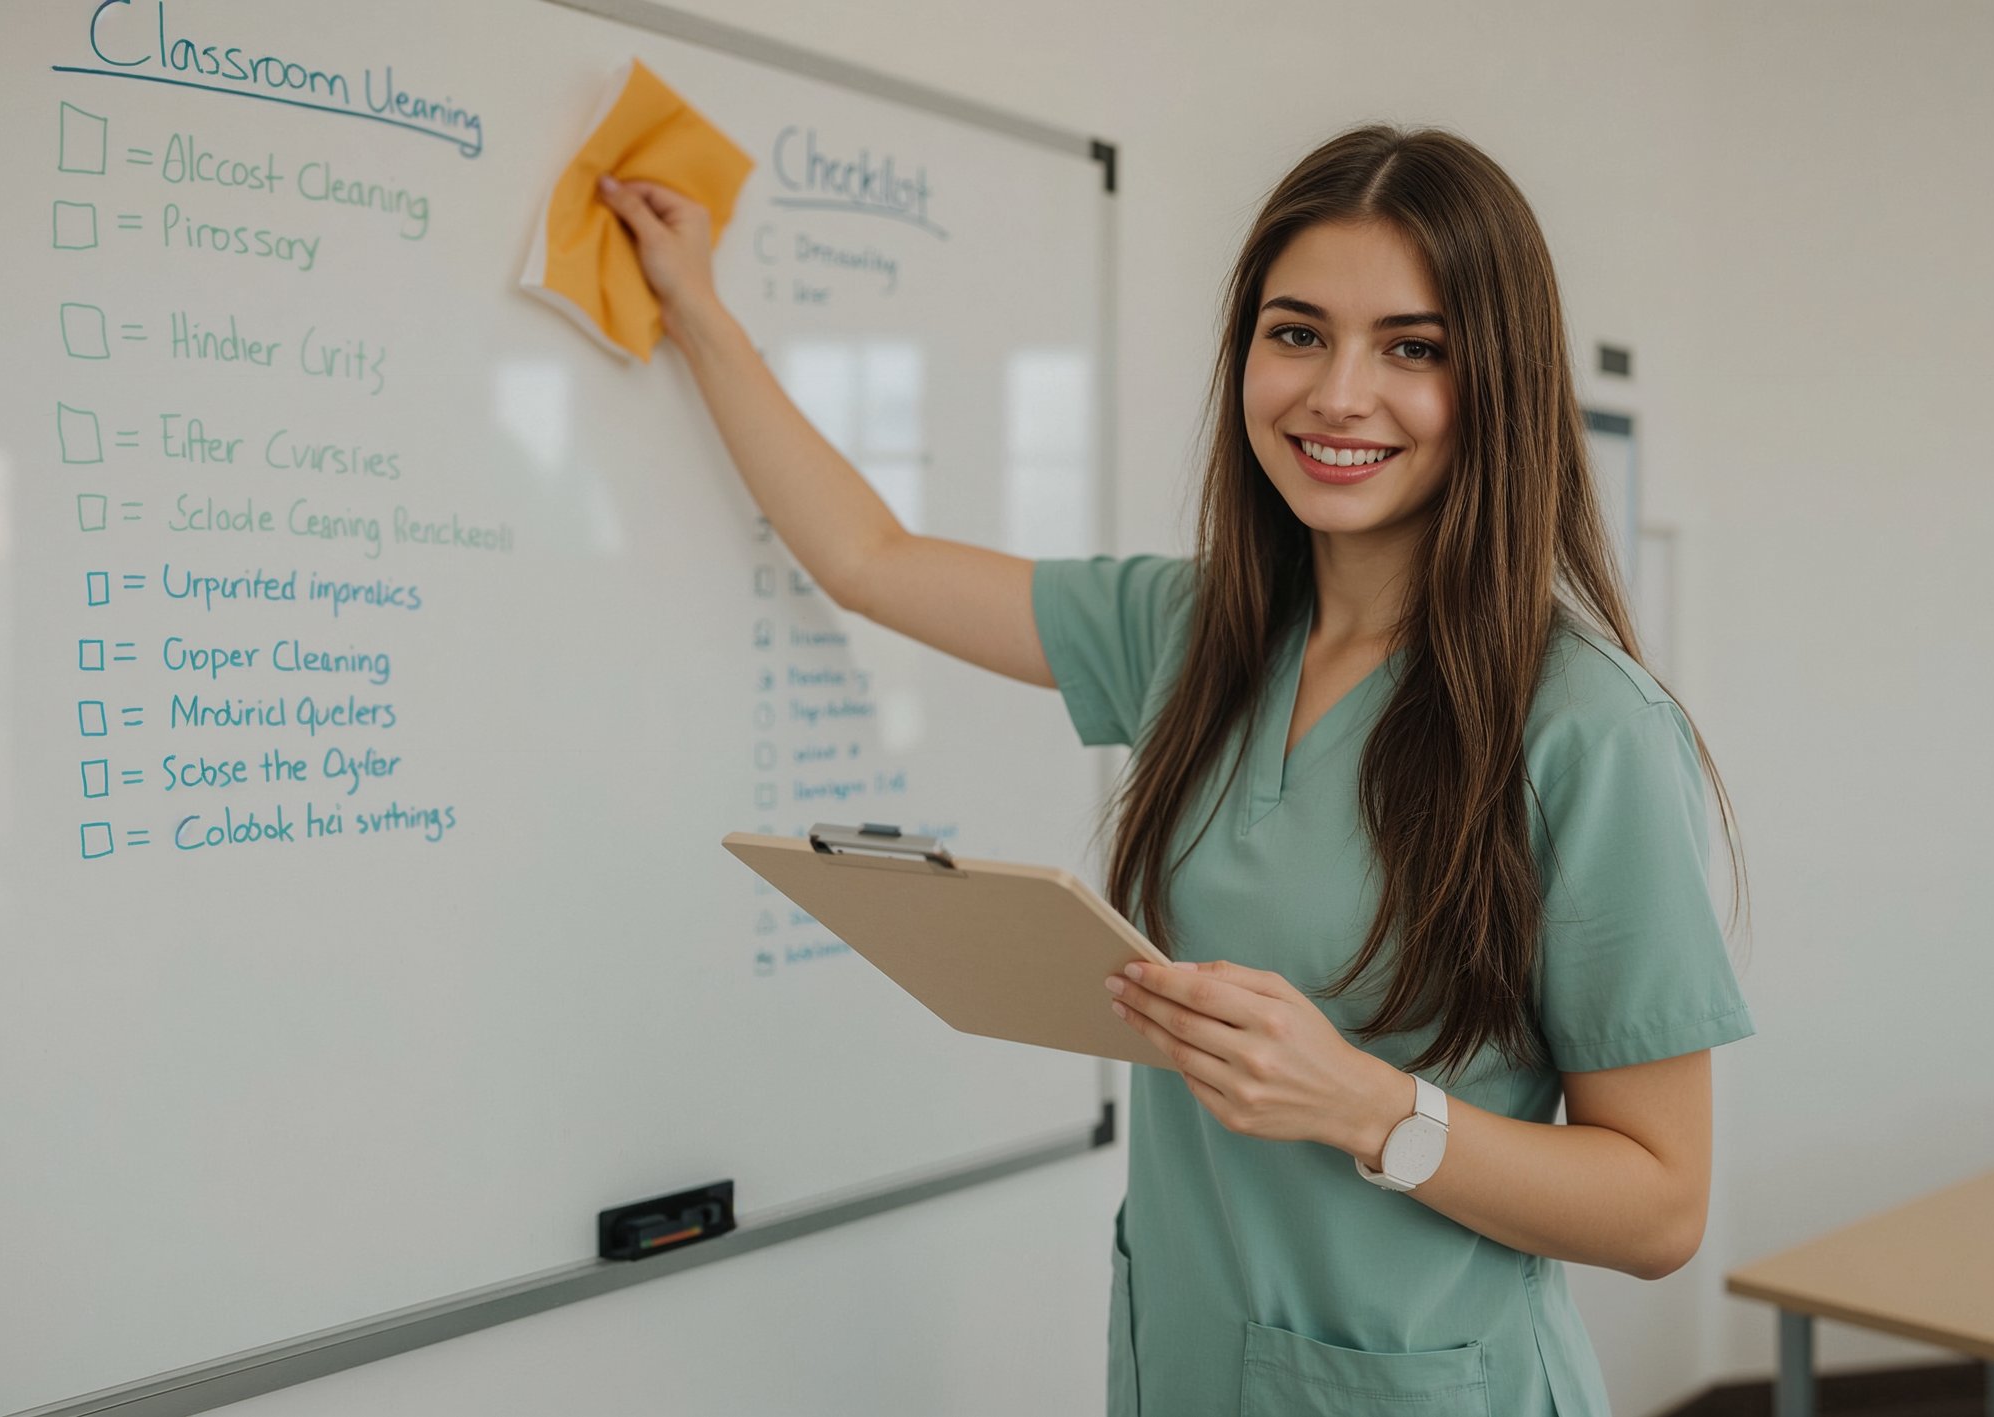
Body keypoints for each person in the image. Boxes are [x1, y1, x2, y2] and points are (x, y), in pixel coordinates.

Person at [600, 122, 1753, 1417]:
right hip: (1190, 1362)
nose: (1337, 394)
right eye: (1297, 332)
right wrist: (695, 308)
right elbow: (869, 557)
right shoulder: (1193, 634)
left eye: (1412, 348)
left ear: (1500, 381)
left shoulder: (1586, 726)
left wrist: (1371, 1105)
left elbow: (1662, 1204)